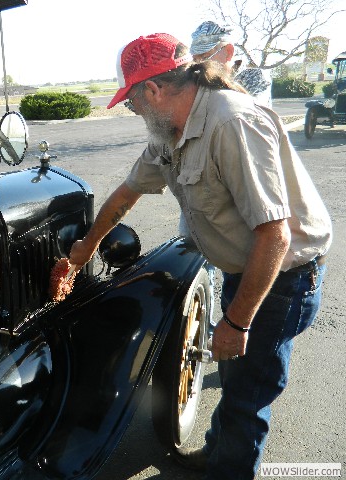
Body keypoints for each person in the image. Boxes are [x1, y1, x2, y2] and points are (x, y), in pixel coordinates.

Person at [69, 33, 332, 479]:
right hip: (244, 269)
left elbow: (275, 236)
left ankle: (229, 470)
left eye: (131, 103)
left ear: (152, 89)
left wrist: (236, 321)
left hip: (283, 279)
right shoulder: (170, 130)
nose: (134, 112)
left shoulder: (231, 123)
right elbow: (127, 193)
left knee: (249, 394)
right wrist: (85, 247)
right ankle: (217, 451)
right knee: (234, 379)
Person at [190, 20, 272, 107]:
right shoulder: (199, 81)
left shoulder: (254, 77)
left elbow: (247, 113)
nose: (199, 64)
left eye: (205, 57)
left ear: (228, 52)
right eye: (195, 60)